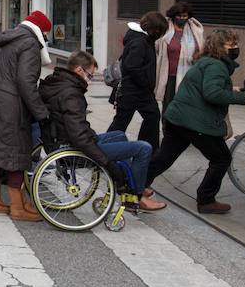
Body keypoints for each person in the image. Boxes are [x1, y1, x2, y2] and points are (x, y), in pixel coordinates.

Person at [145, 29, 245, 214]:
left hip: (178, 118)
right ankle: (206, 200)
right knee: (221, 158)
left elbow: (208, 86)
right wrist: (242, 98)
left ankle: (134, 185)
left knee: (164, 157)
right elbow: (212, 93)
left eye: (236, 44)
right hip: (195, 122)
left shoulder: (206, 62)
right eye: (231, 45)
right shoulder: (216, 66)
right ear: (219, 47)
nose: (235, 48)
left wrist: (230, 89)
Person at [40, 50, 164, 211]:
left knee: (119, 135)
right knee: (143, 148)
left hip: (62, 140)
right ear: (79, 70)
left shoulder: (59, 84)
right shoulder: (70, 94)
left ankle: (128, 185)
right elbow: (79, 137)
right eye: (90, 75)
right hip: (73, 147)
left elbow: (75, 127)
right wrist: (106, 162)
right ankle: (136, 196)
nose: (90, 80)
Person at [0, 10, 53, 221]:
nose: (46, 39)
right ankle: (18, 207)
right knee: (16, 153)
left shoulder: (11, 40)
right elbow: (26, 83)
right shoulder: (30, 45)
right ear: (42, 32)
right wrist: (41, 112)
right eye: (46, 35)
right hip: (10, 105)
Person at [108, 11, 169, 151]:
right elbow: (132, 66)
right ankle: (103, 150)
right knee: (123, 122)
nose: (161, 34)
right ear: (154, 29)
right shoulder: (140, 41)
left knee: (148, 117)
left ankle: (147, 149)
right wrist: (146, 83)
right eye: (160, 31)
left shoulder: (142, 38)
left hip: (135, 91)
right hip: (134, 91)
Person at [154, 1, 204, 111]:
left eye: (184, 16)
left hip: (188, 74)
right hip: (169, 75)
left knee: (186, 104)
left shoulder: (195, 30)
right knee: (168, 104)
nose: (182, 18)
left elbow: (200, 48)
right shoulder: (165, 28)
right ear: (173, 15)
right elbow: (156, 47)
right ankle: (167, 127)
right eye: (179, 16)